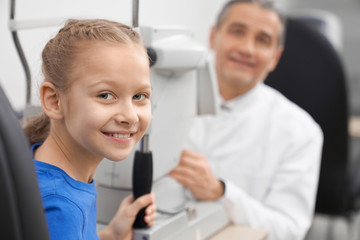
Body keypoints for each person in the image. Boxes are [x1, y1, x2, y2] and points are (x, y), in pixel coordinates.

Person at [169, 1, 323, 240]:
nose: (247, 49)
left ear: (275, 57)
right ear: (213, 37)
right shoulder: (163, 100)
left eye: (262, 40)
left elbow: (289, 230)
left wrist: (221, 192)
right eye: (237, 32)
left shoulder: (301, 131)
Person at [23, 19, 156, 240]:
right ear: (54, 101)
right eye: (105, 95)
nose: (130, 116)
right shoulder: (61, 208)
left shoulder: (44, 165)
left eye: (139, 96)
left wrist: (112, 234)